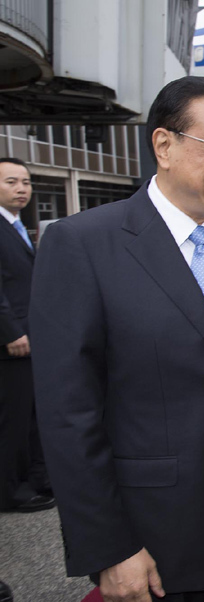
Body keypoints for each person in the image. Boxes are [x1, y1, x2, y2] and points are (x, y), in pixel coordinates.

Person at [30, 76, 204, 602]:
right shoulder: (82, 245)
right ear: (164, 145)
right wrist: (109, 546)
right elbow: (68, 415)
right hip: (159, 535)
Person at [0, 157, 54, 514]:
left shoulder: (17, 225)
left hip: (29, 338)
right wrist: (11, 331)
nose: (21, 189)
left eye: (26, 182)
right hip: (12, 342)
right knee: (12, 420)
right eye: (11, 182)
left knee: (33, 416)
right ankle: (10, 490)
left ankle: (37, 478)